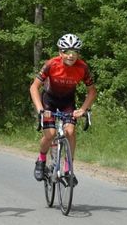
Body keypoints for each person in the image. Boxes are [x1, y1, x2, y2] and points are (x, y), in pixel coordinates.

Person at [29, 33, 97, 185]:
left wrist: (83, 109)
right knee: (50, 133)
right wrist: (40, 109)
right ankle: (41, 160)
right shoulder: (51, 64)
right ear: (60, 52)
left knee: (70, 132)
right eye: (67, 51)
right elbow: (34, 87)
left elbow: (92, 91)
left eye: (74, 52)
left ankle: (68, 169)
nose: (70, 55)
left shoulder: (82, 67)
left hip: (67, 101)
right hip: (49, 101)